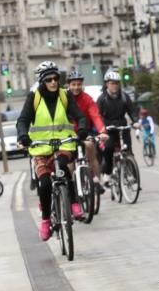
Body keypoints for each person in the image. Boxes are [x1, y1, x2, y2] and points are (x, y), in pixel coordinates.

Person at [16, 62, 88, 240]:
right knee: (46, 184)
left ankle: (72, 203)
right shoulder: (34, 97)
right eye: (49, 79)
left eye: (56, 78)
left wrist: (83, 129)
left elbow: (79, 115)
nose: (54, 82)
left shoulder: (65, 95)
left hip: (63, 144)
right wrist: (23, 136)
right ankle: (46, 220)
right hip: (40, 147)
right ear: (42, 81)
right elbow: (22, 120)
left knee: (63, 167)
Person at [65, 69, 108, 192]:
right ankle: (71, 186)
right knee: (69, 161)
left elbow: (95, 115)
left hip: (84, 131)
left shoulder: (87, 99)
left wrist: (102, 130)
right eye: (73, 84)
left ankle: (96, 179)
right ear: (68, 85)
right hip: (68, 133)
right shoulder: (63, 99)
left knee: (90, 147)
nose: (76, 87)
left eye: (79, 84)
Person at [97, 69, 138, 184]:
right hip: (108, 128)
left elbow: (132, 110)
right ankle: (108, 173)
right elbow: (97, 115)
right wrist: (101, 130)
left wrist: (135, 121)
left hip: (122, 127)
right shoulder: (102, 99)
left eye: (117, 83)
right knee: (109, 148)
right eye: (112, 83)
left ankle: (131, 174)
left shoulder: (124, 97)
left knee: (128, 150)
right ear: (106, 84)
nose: (115, 85)